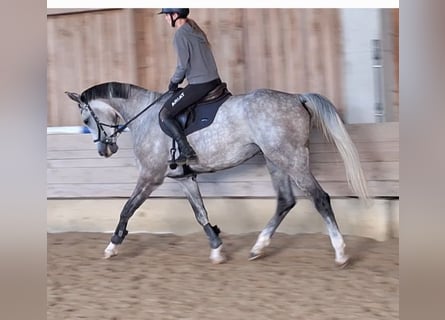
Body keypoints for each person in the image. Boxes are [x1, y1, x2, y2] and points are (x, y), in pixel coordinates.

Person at [158, 8, 222, 165]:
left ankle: (187, 151)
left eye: (167, 15)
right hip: (214, 81)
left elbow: (182, 66)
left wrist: (173, 82)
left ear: (175, 15)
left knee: (165, 114)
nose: (166, 19)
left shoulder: (180, 34)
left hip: (200, 85)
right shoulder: (194, 29)